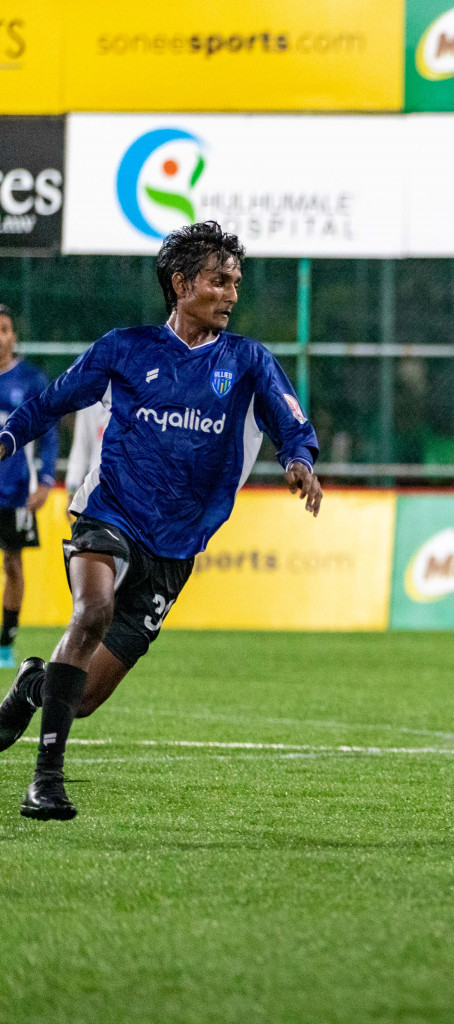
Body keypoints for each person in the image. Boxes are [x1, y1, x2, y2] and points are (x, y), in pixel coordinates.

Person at [0, 221, 322, 820]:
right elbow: (53, 401)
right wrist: (9, 436)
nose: (231, 293)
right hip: (110, 511)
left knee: (84, 697)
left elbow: (293, 426)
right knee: (90, 610)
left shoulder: (248, 360)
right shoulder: (126, 347)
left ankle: (31, 686)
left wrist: (300, 461)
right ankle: (46, 781)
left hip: (177, 544)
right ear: (181, 284)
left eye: (235, 282)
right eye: (219, 281)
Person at [0, 305, 58, 669]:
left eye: (4, 329)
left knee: (13, 563)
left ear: (13, 336)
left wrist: (46, 479)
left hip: (16, 490)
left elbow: (49, 434)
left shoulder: (31, 380)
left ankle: (6, 643)